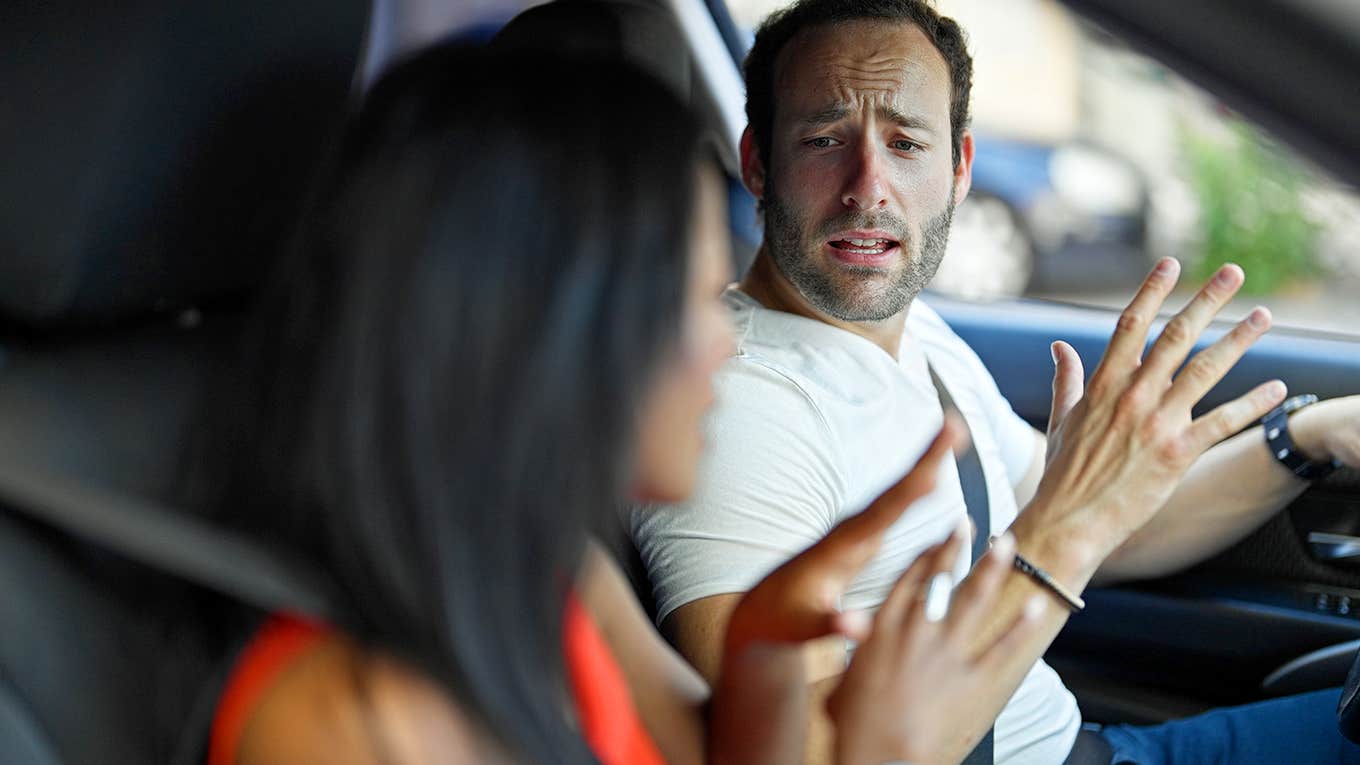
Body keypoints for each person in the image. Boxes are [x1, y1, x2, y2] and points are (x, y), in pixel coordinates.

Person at [171, 42, 1057, 765]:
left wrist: (763, 666)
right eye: (687, 300)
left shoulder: (551, 573)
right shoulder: (340, 722)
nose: (722, 337)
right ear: (543, 326)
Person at [626, 0, 1360, 763]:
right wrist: (1061, 538)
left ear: (960, 168)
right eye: (824, 138)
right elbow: (785, 752)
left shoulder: (917, 334)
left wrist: (1310, 436)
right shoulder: (734, 405)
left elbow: (1099, 520)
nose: (867, 185)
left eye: (907, 142)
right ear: (757, 161)